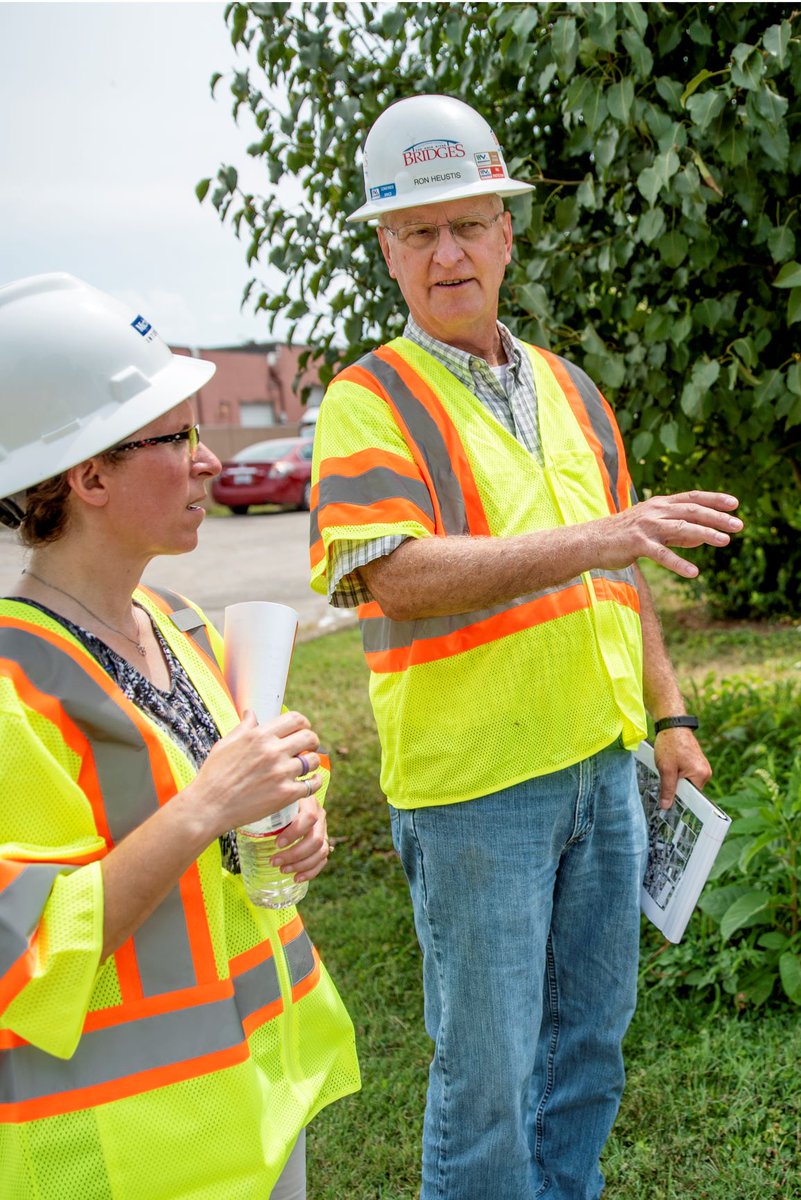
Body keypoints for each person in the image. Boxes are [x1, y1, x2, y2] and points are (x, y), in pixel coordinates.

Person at [309, 95, 742, 1200]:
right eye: (419, 232)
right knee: (489, 1082)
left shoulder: (571, 388)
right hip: (476, 795)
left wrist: (673, 718)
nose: (448, 253)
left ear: (507, 232)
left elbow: (622, 564)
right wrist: (597, 537)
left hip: (604, 771)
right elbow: (389, 571)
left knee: (588, 1054)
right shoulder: (368, 400)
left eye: (469, 224)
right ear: (387, 250)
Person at [0, 273, 360, 1200]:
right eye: (178, 437)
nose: (208, 462)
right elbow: (22, 951)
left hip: (255, 1097)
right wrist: (209, 803)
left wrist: (291, 818)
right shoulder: (12, 685)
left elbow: (231, 830)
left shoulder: (175, 620)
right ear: (88, 477)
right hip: (133, 1150)